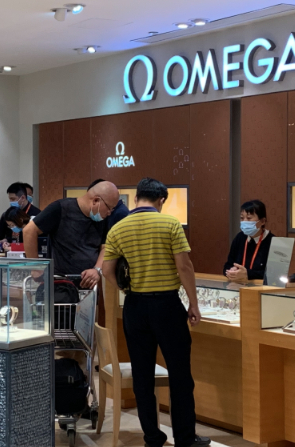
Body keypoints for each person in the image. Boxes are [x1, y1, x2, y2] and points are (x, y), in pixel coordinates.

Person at [102, 177, 209, 447]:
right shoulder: (170, 224)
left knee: (142, 376)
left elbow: (107, 270)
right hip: (167, 306)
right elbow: (184, 266)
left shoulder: (118, 227)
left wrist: (126, 289)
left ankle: (152, 437)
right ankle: (185, 438)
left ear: (137, 197)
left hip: (135, 307)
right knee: (180, 374)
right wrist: (193, 303)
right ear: (161, 200)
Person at [23, 180, 120, 289]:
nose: (109, 212)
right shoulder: (60, 208)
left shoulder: (102, 218)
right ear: (96, 200)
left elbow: (105, 247)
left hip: (88, 285)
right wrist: (36, 267)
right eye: (109, 207)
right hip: (60, 285)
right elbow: (29, 231)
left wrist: (96, 269)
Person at [224, 199, 275, 284]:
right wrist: (231, 270)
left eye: (249, 218)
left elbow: (274, 275)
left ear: (262, 221)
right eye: (242, 218)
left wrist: (248, 274)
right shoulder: (239, 237)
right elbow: (228, 265)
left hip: (262, 288)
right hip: (237, 286)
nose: (244, 221)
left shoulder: (273, 242)